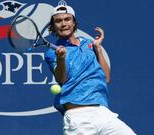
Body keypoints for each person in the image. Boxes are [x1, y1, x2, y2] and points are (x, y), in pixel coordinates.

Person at [45, 4, 136, 135]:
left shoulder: (88, 43)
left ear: (74, 22)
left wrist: (98, 49)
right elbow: (62, 80)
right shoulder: (52, 52)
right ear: (53, 26)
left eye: (67, 19)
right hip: (78, 117)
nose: (63, 24)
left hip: (102, 112)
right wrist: (60, 58)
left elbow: (106, 78)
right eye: (58, 21)